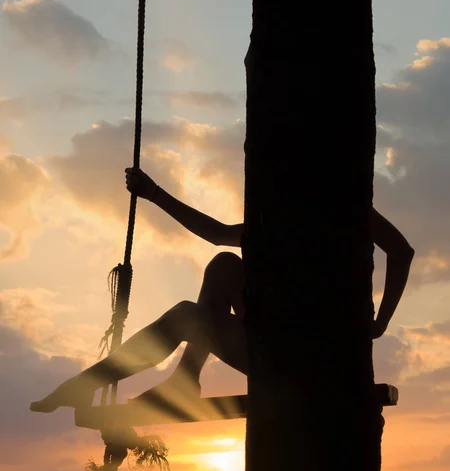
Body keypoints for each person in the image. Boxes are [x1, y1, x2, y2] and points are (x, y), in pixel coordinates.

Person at [30, 167, 415, 414]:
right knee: (224, 265)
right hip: (274, 347)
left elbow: (401, 251)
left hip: (302, 367)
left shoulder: (343, 210)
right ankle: (184, 380)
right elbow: (216, 235)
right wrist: (155, 194)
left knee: (185, 316)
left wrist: (380, 322)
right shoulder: (278, 220)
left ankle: (87, 384)